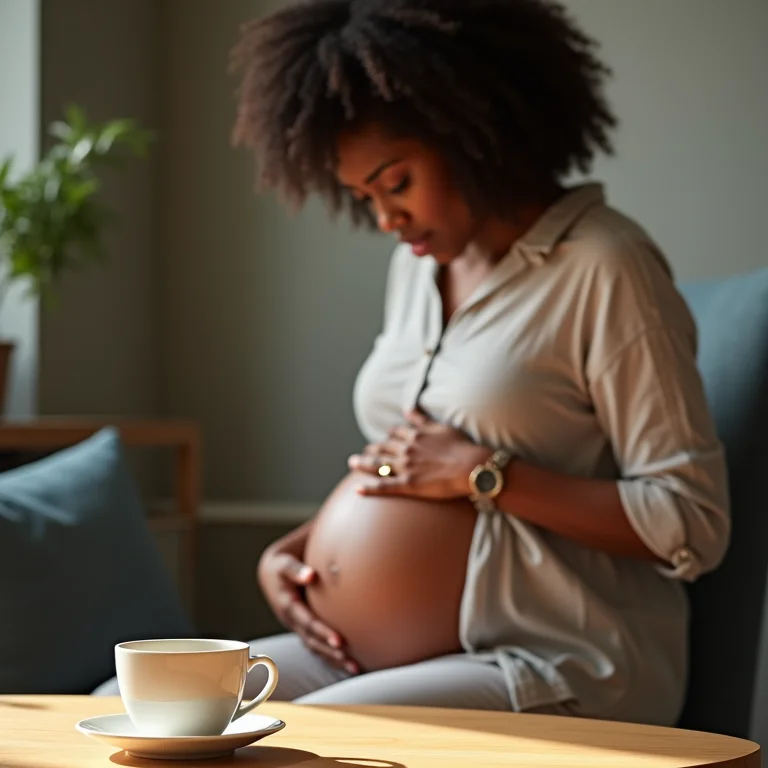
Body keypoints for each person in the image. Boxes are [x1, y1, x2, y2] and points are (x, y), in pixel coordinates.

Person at [96, 0, 730, 725]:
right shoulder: (419, 267)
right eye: (362, 196)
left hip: (554, 659)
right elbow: (409, 462)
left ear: (476, 131)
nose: (385, 219)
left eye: (396, 183)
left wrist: (485, 473)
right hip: (386, 655)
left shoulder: (607, 269)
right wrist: (296, 553)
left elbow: (691, 520)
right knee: (128, 710)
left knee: (309, 740)